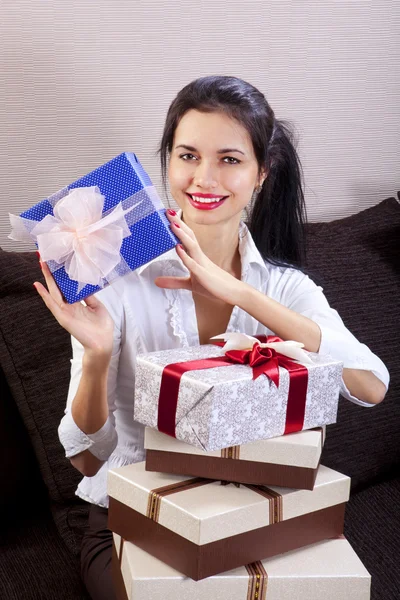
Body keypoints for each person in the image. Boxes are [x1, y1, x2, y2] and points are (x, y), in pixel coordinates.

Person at [33, 75, 389, 600]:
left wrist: (241, 293)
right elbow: (87, 461)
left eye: (229, 159)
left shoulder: (284, 287)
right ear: (168, 164)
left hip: (249, 519)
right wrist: (97, 356)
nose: (203, 177)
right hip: (132, 521)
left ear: (262, 173)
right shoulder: (119, 283)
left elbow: (370, 384)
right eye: (187, 155)